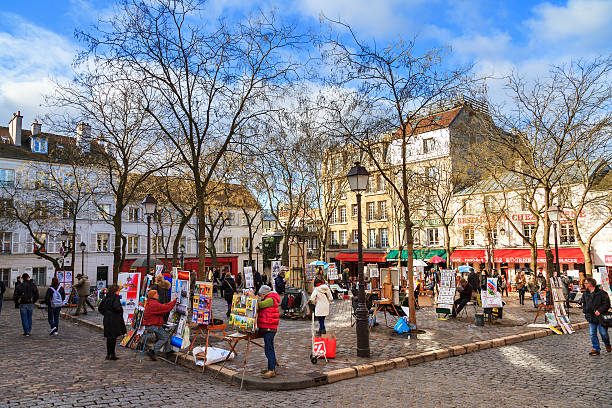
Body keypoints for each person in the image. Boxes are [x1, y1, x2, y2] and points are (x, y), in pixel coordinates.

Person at [143, 289, 178, 361]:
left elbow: (163, 306)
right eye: (157, 294)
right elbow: (166, 308)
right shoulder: (154, 304)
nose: (158, 295)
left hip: (151, 324)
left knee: (164, 335)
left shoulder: (151, 303)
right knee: (164, 337)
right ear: (153, 296)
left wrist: (172, 303)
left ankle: (168, 351)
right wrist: (174, 302)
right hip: (153, 325)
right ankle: (152, 350)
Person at [582, 278, 611, 355]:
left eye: (585, 283)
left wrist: (599, 310)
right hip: (591, 316)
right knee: (592, 334)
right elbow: (584, 303)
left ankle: (607, 344)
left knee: (603, 333)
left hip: (601, 317)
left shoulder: (602, 293)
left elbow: (607, 304)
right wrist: (585, 310)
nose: (584, 284)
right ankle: (596, 349)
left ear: (590, 284)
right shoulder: (585, 294)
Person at [257, 285, 280, 379]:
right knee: (269, 347)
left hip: (269, 328)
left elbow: (260, 305)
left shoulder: (270, 299)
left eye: (260, 295)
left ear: (264, 293)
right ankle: (272, 367)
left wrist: (252, 298)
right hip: (267, 327)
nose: (260, 296)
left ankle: (271, 370)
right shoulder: (269, 298)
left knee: (269, 349)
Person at [98, 284, 126, 360]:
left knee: (109, 337)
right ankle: (112, 354)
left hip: (107, 318)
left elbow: (100, 308)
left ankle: (109, 354)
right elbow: (116, 307)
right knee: (113, 337)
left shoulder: (106, 297)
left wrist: (106, 313)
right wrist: (120, 310)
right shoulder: (115, 297)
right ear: (116, 291)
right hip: (114, 319)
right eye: (118, 290)